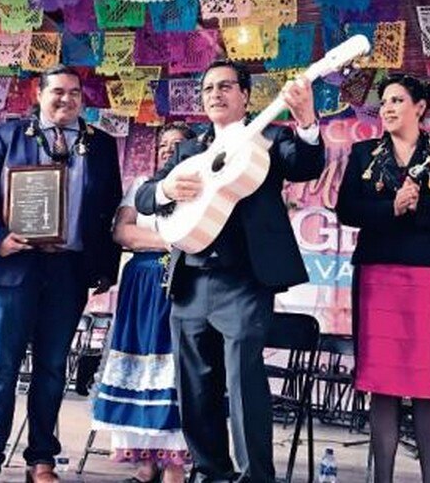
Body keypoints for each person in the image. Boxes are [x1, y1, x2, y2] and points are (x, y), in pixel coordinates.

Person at [135, 62, 325, 482]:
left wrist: (306, 121)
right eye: (208, 89)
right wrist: (166, 189)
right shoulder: (189, 149)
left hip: (244, 280)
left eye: (225, 87)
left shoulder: (270, 137)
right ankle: (210, 473)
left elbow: (305, 164)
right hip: (190, 280)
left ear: (245, 95)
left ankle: (254, 477)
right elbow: (146, 196)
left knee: (243, 383)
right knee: (195, 387)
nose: (215, 94)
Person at [0, 66, 123, 483]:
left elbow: (111, 207)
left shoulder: (101, 144)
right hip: (16, 264)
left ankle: (42, 460)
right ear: (39, 93)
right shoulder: (8, 136)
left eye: (74, 93)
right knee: (1, 364)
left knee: (52, 367)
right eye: (57, 91)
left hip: (69, 269)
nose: (66, 99)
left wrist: (106, 266)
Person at [335, 74, 430, 483]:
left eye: (397, 100)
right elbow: (347, 210)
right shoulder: (364, 153)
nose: (388, 108)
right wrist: (391, 208)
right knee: (382, 383)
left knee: (428, 383)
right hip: (378, 273)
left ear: (420, 107)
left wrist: (420, 205)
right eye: (384, 102)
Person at [91, 122, 195, 483]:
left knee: (173, 366)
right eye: (162, 145)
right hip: (141, 283)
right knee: (140, 363)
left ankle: (175, 464)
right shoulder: (142, 186)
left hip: (183, 282)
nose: (167, 151)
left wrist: (156, 239)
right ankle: (146, 461)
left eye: (176, 144)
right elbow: (122, 232)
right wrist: (171, 241)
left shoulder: (200, 188)